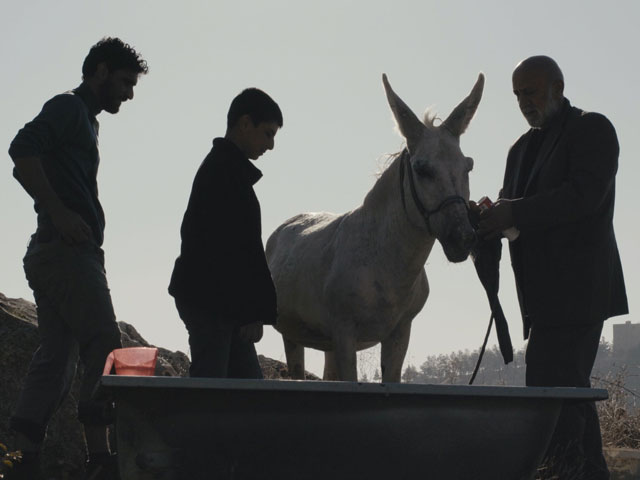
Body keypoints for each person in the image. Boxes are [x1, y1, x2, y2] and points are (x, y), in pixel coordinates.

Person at [476, 55, 628, 479]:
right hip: (541, 299)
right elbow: (513, 213)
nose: (524, 101)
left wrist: (513, 213)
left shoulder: (592, 128)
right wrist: (486, 219)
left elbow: (584, 196)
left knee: (553, 393)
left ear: (558, 86)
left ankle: (563, 473)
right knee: (567, 395)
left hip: (580, 291)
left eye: (532, 91)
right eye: (518, 94)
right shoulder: (518, 150)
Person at [8, 37, 148, 479]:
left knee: (56, 356)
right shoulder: (69, 107)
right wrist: (60, 211)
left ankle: (20, 458)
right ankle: (101, 461)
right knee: (105, 344)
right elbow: (20, 150)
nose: (129, 94)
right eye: (125, 82)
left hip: (56, 251)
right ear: (101, 71)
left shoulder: (86, 120)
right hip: (65, 252)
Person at [168, 88, 282, 379]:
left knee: (241, 392)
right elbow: (232, 251)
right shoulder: (224, 174)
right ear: (245, 124)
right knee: (213, 390)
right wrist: (251, 312)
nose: (270, 146)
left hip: (218, 302)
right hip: (212, 302)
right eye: (267, 133)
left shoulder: (225, 170)